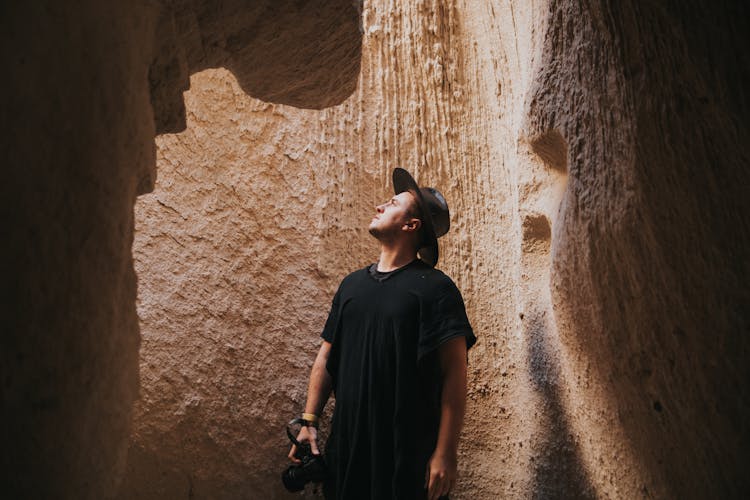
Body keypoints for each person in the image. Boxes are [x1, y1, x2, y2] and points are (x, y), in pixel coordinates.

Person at [288, 168, 476, 500]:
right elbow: (327, 359)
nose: (379, 206)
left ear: (411, 225)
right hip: (349, 446)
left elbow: (455, 376)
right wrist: (309, 421)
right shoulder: (351, 285)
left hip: (408, 452)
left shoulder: (436, 289)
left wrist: (446, 452)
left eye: (391, 204)